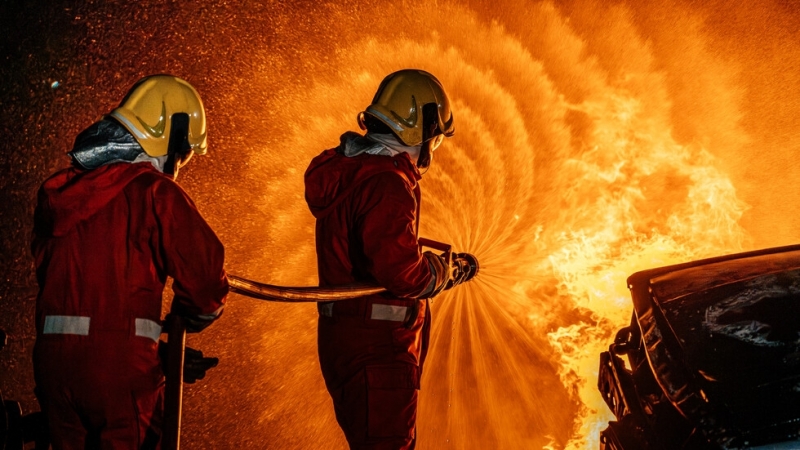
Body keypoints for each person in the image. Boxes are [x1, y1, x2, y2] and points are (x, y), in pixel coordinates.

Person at [31, 75, 228, 450]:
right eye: (186, 151)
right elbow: (205, 283)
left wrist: (162, 354)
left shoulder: (58, 194)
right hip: (122, 374)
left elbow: (81, 301)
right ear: (174, 138)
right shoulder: (155, 192)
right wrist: (185, 321)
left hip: (53, 366)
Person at [304, 69, 461, 449]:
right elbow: (403, 273)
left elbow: (371, 242)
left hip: (346, 341)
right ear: (422, 131)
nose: (433, 149)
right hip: (381, 349)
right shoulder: (387, 184)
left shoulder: (349, 169)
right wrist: (445, 272)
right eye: (435, 139)